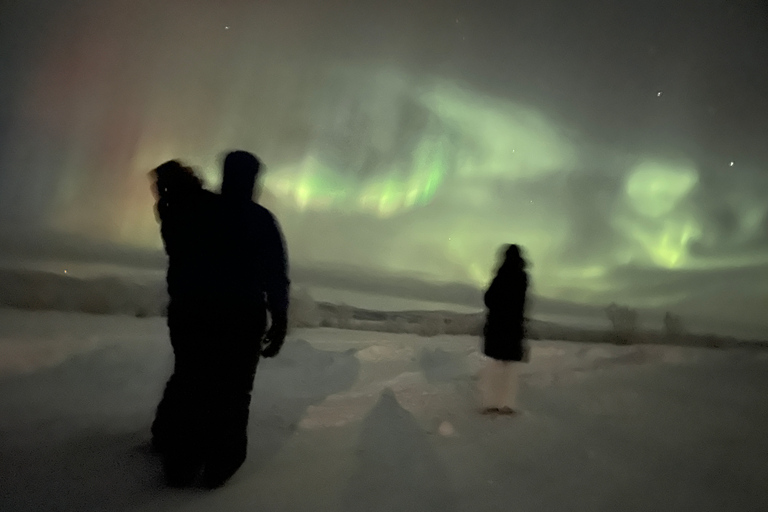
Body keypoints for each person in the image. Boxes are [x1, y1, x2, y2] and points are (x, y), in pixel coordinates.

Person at [149, 151, 290, 488]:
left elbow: (172, 222)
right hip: (241, 318)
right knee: (233, 390)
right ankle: (219, 465)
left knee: (190, 380)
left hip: (190, 313)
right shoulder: (260, 219)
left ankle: (179, 462)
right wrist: (280, 319)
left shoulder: (196, 208)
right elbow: (275, 276)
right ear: (253, 180)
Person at [478, 243, 529, 415]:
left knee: (496, 368)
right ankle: (506, 404)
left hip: (498, 327)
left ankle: (492, 403)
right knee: (508, 370)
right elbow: (521, 305)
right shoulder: (522, 277)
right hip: (513, 329)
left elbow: (489, 299)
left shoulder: (500, 276)